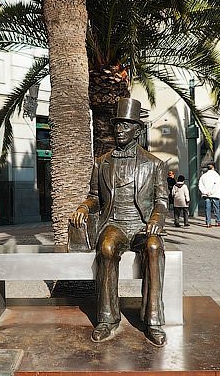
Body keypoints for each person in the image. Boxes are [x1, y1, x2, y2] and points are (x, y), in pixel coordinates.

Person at [70, 97, 168, 347]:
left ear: (137, 129)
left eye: (125, 125)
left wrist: (156, 219)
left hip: (143, 224)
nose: (119, 130)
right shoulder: (101, 162)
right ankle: (107, 319)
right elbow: (94, 197)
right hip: (114, 223)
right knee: (106, 248)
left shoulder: (154, 164)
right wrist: (83, 206)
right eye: (117, 125)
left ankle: (153, 320)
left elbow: (162, 201)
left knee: (154, 248)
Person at [198, 163, 220, 228]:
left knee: (207, 209)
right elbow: (216, 185)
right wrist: (211, 192)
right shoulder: (216, 175)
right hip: (214, 194)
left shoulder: (203, 176)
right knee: (216, 208)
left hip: (206, 195)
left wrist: (205, 192)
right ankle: (218, 221)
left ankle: (208, 222)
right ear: (213, 168)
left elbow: (200, 185)